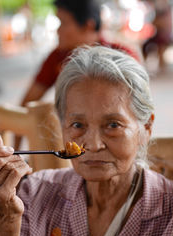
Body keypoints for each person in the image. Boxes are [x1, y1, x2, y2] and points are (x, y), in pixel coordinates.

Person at [0, 45, 173, 236]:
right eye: (77, 124)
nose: (92, 144)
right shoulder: (34, 195)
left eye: (112, 124)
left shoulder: (167, 211)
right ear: (63, 128)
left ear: (146, 128)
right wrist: (6, 219)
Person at [14, 0, 140, 149]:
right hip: (72, 144)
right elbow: (26, 104)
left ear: (88, 25)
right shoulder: (57, 58)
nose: (58, 30)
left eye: (63, 23)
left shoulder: (124, 56)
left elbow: (139, 112)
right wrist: (15, 152)